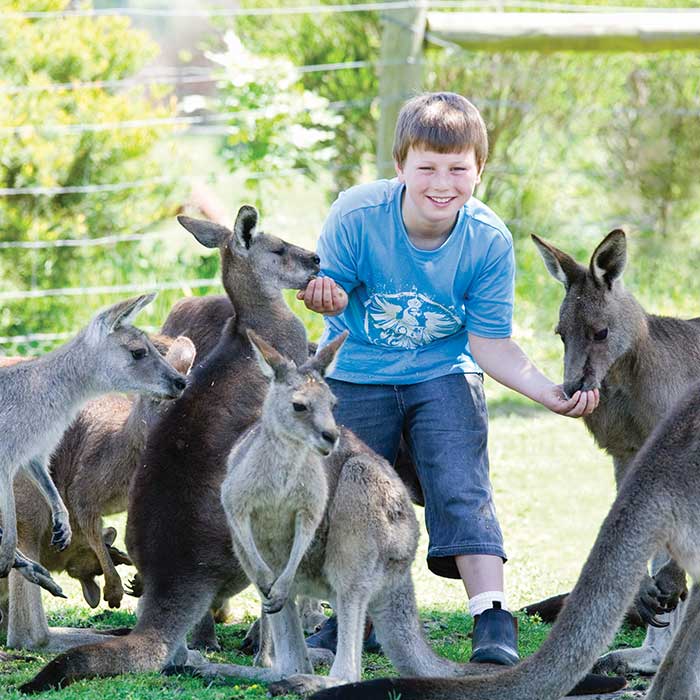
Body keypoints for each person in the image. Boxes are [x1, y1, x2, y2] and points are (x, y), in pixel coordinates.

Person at [297, 92, 599, 666]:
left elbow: (489, 342)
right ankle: (348, 615)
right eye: (427, 167)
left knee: (461, 482)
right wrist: (324, 296)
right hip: (358, 371)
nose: (443, 182)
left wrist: (546, 392)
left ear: (478, 172)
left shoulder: (487, 241)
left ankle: (491, 616)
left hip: (443, 370)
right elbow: (328, 291)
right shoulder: (357, 216)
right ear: (400, 168)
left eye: (458, 168)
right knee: (345, 491)